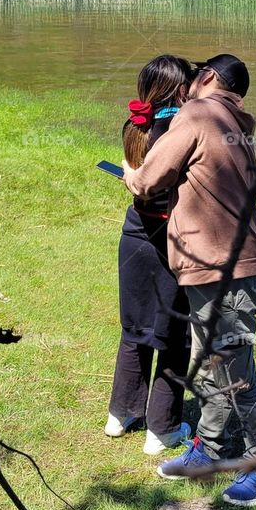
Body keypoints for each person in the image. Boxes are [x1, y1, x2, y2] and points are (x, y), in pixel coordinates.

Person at [122, 53, 256, 507]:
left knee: (235, 372)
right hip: (223, 266)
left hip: (223, 270)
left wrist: (132, 175)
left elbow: (151, 179)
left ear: (208, 78)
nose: (186, 85)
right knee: (209, 362)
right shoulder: (234, 123)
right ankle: (208, 450)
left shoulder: (197, 112)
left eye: (193, 77)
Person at [105, 55, 195, 455]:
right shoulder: (181, 129)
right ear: (180, 89)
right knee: (175, 336)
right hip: (172, 239)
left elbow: (137, 180)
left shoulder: (135, 125)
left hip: (135, 234)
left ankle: (121, 414)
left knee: (135, 328)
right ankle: (163, 429)